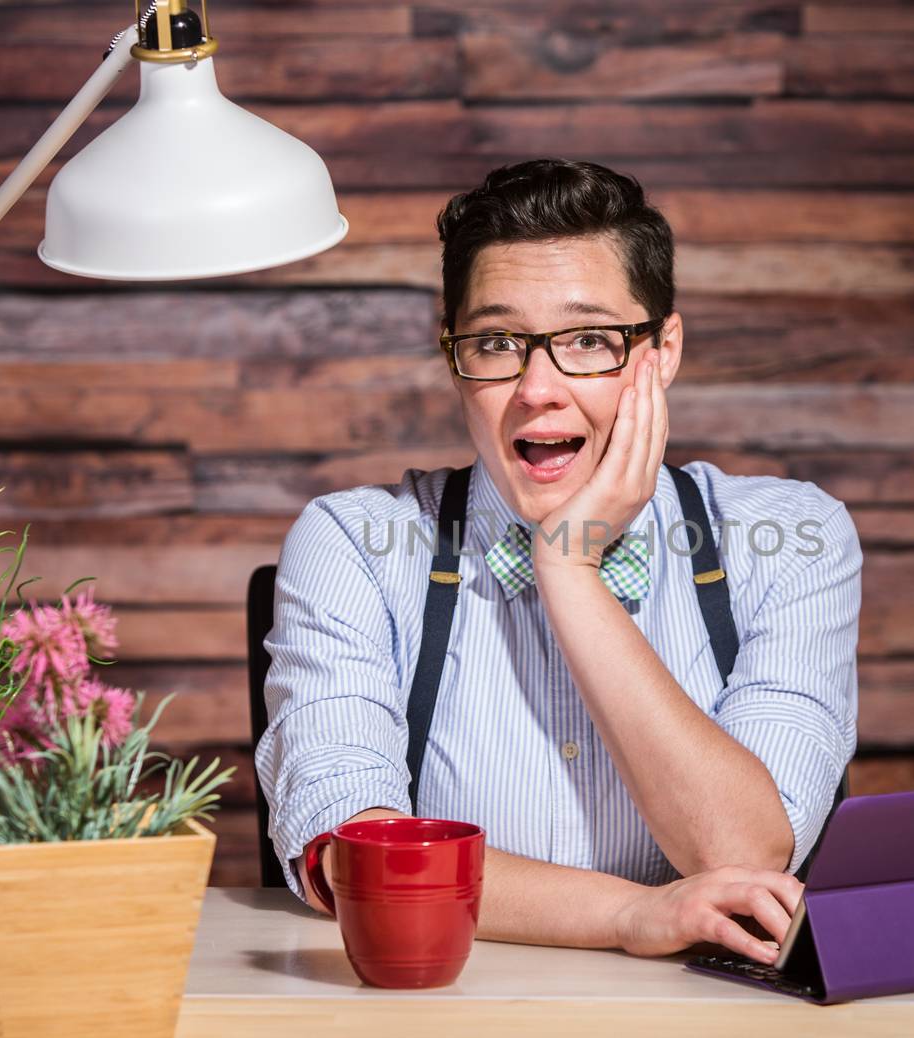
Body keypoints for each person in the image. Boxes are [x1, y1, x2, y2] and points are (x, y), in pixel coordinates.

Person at [256, 159, 861, 966]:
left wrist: (569, 570)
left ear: (662, 351)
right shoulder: (352, 545)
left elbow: (744, 857)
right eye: (498, 342)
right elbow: (363, 858)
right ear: (452, 355)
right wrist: (631, 914)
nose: (539, 387)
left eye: (587, 341)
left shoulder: (791, 538)